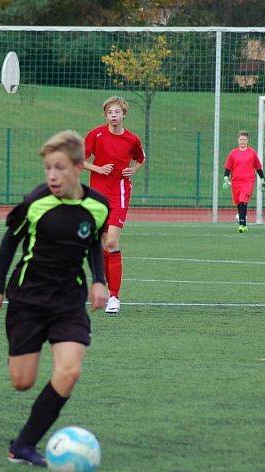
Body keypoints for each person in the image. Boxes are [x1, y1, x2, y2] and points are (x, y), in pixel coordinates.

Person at [0, 130, 109, 467]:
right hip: (29, 300)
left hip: (68, 302)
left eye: (60, 168)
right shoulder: (36, 202)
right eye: (48, 168)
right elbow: (10, 242)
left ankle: (23, 444)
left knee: (69, 371)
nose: (52, 175)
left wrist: (99, 281)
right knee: (23, 382)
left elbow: (93, 241)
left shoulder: (98, 206)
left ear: (80, 167)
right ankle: (20, 358)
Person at [83, 96, 145, 315]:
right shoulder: (96, 134)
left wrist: (133, 170)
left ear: (124, 114)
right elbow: (79, 160)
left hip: (119, 195)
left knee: (111, 241)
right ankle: (106, 290)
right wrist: (98, 169)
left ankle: (115, 296)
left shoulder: (132, 139)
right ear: (105, 115)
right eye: (110, 112)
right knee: (100, 245)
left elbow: (140, 158)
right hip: (97, 197)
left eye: (117, 112)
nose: (113, 116)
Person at [223, 130, 265, 233]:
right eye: (241, 139)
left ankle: (242, 225)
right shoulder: (233, 153)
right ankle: (244, 225)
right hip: (236, 182)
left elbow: (258, 167)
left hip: (248, 181)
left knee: (243, 200)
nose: (242, 141)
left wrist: (263, 180)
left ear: (247, 141)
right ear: (238, 140)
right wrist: (225, 178)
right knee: (239, 202)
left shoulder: (252, 153)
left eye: (244, 140)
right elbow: (228, 168)